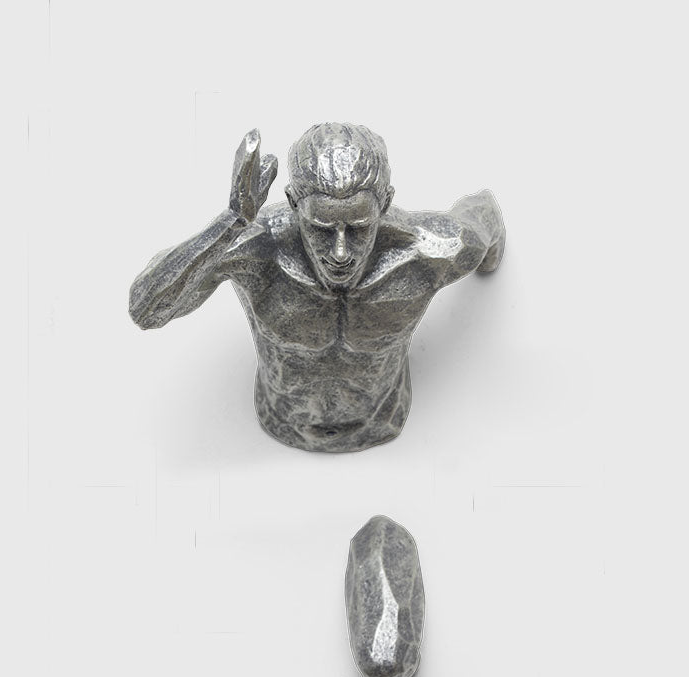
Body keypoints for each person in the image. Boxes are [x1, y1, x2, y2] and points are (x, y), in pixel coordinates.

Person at [129, 123, 505, 452]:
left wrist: (491, 258)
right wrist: (230, 223)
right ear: (294, 205)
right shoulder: (258, 250)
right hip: (278, 423)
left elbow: (483, 216)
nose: (340, 252)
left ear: (386, 205)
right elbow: (146, 309)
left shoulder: (425, 252)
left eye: (358, 228)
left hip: (384, 422)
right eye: (321, 229)